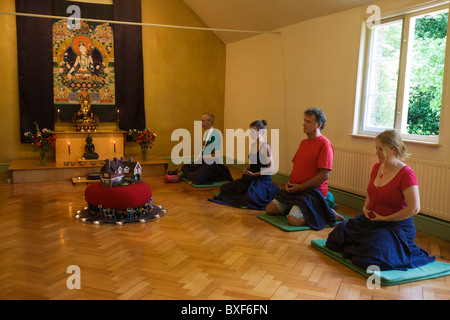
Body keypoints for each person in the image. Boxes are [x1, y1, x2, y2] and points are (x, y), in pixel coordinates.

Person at [326, 129, 435, 271]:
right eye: (376, 148)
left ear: (394, 150)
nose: (376, 152)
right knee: (337, 235)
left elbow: (414, 208)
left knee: (372, 257)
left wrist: (386, 219)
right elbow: (371, 191)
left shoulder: (406, 174)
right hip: (372, 220)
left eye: (381, 149)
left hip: (395, 227)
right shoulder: (377, 167)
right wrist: (365, 207)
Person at [265, 107, 343, 229]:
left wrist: (301, 187)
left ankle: (326, 213)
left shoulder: (325, 144)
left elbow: (324, 175)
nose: (304, 124)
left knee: (293, 220)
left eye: (308, 122)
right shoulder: (303, 142)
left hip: (312, 192)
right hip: (296, 190)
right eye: (304, 120)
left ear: (318, 125)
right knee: (270, 209)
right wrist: (289, 182)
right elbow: (297, 166)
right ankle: (304, 208)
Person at [208, 120, 279, 210]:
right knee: (225, 188)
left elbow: (271, 169)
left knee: (249, 198)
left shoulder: (265, 146)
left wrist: (254, 174)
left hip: (262, 181)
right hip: (250, 177)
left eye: (252, 132)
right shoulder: (254, 144)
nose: (250, 134)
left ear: (260, 132)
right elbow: (255, 163)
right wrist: (248, 169)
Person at [181, 113, 233, 185]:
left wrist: (203, 157)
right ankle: (196, 176)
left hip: (213, 164)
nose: (201, 123)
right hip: (204, 162)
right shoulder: (206, 134)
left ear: (210, 121)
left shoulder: (215, 135)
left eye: (203, 121)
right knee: (184, 167)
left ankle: (198, 177)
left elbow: (216, 155)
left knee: (198, 178)